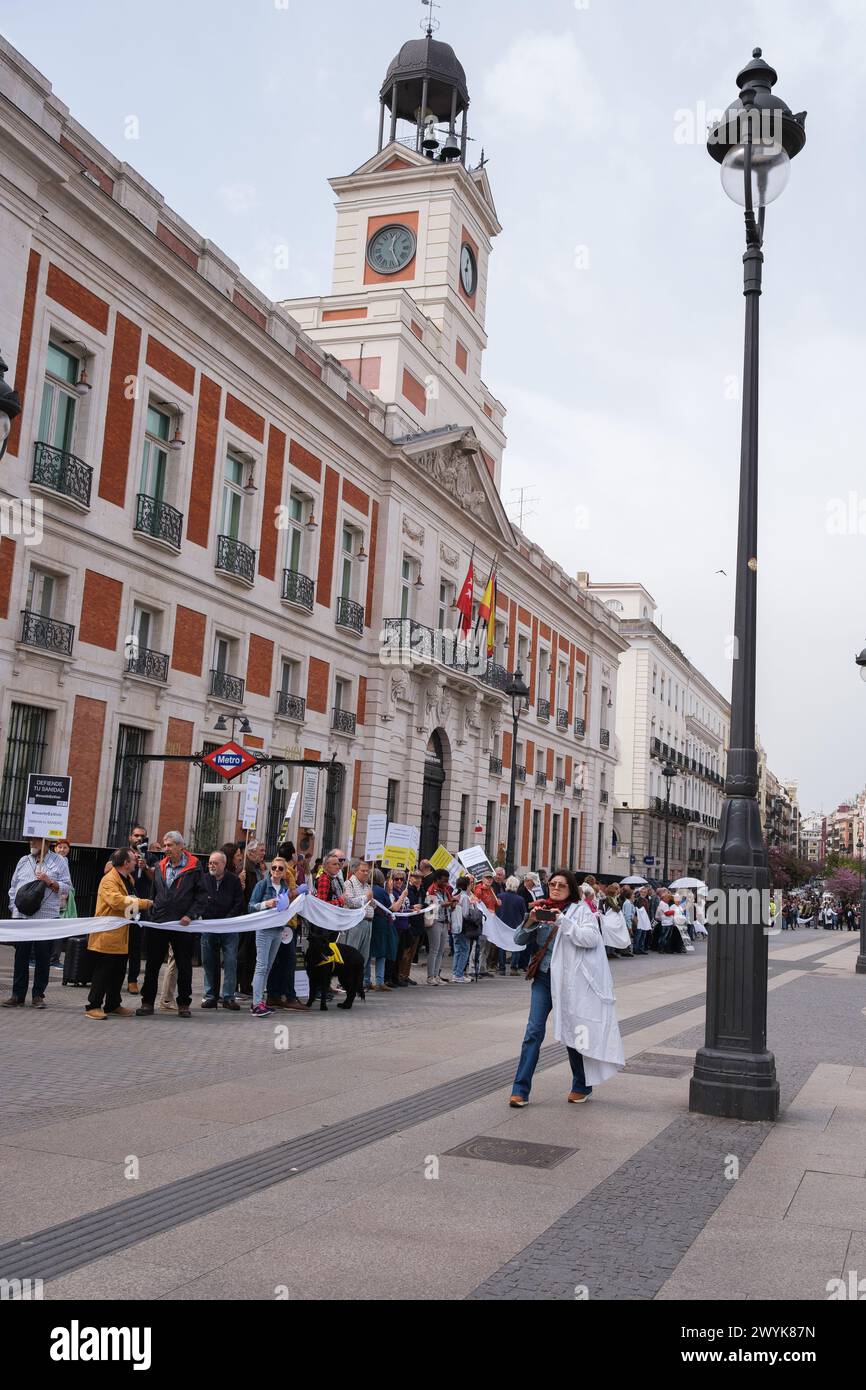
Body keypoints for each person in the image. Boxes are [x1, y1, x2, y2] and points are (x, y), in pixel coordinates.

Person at [509, 871, 624, 1107]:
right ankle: (520, 1089)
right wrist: (531, 920)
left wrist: (562, 920)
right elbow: (518, 940)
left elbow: (590, 939)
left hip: (571, 982)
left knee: (575, 1032)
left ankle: (581, 1085)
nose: (556, 888)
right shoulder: (541, 907)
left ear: (571, 888)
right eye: (552, 884)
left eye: (562, 885)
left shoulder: (582, 911)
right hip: (543, 978)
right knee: (533, 1032)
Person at [137, 832, 208, 1018]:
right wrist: (152, 914)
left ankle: (184, 1003)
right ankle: (147, 1002)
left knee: (184, 964)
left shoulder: (194, 867)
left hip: (181, 924)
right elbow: (155, 893)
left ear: (180, 847)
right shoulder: (160, 867)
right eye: (165, 845)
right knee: (152, 964)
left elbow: (201, 896)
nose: (166, 849)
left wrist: (190, 915)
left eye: (169, 846)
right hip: (159, 922)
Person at [2, 837, 71, 1009]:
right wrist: (14, 907)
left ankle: (38, 995)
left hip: (46, 917)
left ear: (46, 842)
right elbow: (13, 886)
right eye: (30, 840)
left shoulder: (59, 861)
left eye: (35, 841)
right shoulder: (23, 860)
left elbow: (67, 887)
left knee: (42, 957)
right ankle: (17, 995)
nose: (31, 843)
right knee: (21, 956)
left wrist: (50, 881)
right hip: (22, 917)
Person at [86, 850, 152, 1020]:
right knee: (103, 971)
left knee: (118, 971)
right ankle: (93, 1005)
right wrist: (143, 903)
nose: (136, 861)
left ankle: (113, 1004)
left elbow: (129, 900)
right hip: (108, 934)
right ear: (125, 863)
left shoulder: (128, 878)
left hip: (123, 934)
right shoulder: (109, 880)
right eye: (133, 859)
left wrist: (136, 912)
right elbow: (116, 901)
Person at [248, 855, 298, 1017]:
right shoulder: (262, 885)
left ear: (285, 872)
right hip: (264, 929)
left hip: (278, 930)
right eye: (274, 868)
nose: (276, 870)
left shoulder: (284, 887)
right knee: (261, 966)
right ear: (270, 870)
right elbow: (250, 907)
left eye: (280, 868)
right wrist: (266, 904)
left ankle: (258, 1001)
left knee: (268, 967)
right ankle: (256, 1004)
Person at [200, 850, 244, 1010]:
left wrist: (227, 920)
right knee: (208, 961)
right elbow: (199, 899)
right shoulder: (204, 879)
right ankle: (210, 995)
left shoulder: (233, 880)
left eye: (215, 863)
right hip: (208, 926)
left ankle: (228, 997)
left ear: (224, 865)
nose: (211, 865)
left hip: (229, 927)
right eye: (210, 862)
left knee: (231, 961)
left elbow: (239, 902)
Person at [367, 868, 398, 990]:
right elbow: (391, 908)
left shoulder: (367, 889)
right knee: (381, 953)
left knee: (368, 952)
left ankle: (366, 979)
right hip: (381, 923)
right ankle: (380, 981)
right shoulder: (381, 891)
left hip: (369, 921)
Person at [395, 869, 425, 985]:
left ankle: (406, 974)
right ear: (410, 878)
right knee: (405, 953)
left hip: (418, 924)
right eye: (415, 877)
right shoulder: (407, 890)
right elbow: (406, 904)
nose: (418, 880)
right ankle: (400, 974)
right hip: (409, 924)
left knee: (412, 953)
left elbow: (423, 904)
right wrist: (413, 906)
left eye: (420, 878)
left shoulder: (421, 890)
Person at [343, 859, 375, 964]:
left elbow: (372, 905)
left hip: (368, 923)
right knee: (352, 953)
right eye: (363, 871)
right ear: (355, 871)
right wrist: (366, 897)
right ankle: (348, 979)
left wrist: (372, 902)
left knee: (363, 956)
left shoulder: (367, 885)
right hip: (356, 923)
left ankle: (358, 978)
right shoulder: (349, 884)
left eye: (367, 871)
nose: (366, 873)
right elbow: (350, 902)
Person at [425, 870, 453, 984]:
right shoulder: (431, 890)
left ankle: (436, 975)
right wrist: (445, 904)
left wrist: (452, 904)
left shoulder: (445, 891)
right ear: (437, 879)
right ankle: (430, 976)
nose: (446, 882)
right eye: (444, 880)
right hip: (435, 921)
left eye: (447, 880)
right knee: (434, 950)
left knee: (441, 951)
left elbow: (448, 904)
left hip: (445, 922)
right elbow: (429, 906)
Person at [448, 875, 477, 982]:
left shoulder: (454, 894)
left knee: (457, 950)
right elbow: (465, 914)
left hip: (455, 925)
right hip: (463, 926)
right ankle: (459, 974)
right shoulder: (465, 897)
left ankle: (455, 973)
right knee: (465, 949)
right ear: (467, 885)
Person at [498, 875, 529, 975]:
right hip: (515, 925)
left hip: (502, 924)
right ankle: (513, 968)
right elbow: (523, 913)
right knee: (516, 946)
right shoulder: (520, 899)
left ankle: (502, 968)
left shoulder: (500, 896)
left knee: (502, 946)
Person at [474, 870, 502, 977]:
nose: (489, 880)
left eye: (490, 878)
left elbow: (493, 904)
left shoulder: (491, 889)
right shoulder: (479, 890)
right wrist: (486, 910)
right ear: (483, 879)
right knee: (480, 945)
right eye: (487, 878)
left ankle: (482, 968)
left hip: (491, 920)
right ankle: (474, 968)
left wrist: (498, 903)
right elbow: (477, 905)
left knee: (487, 945)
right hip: (483, 920)